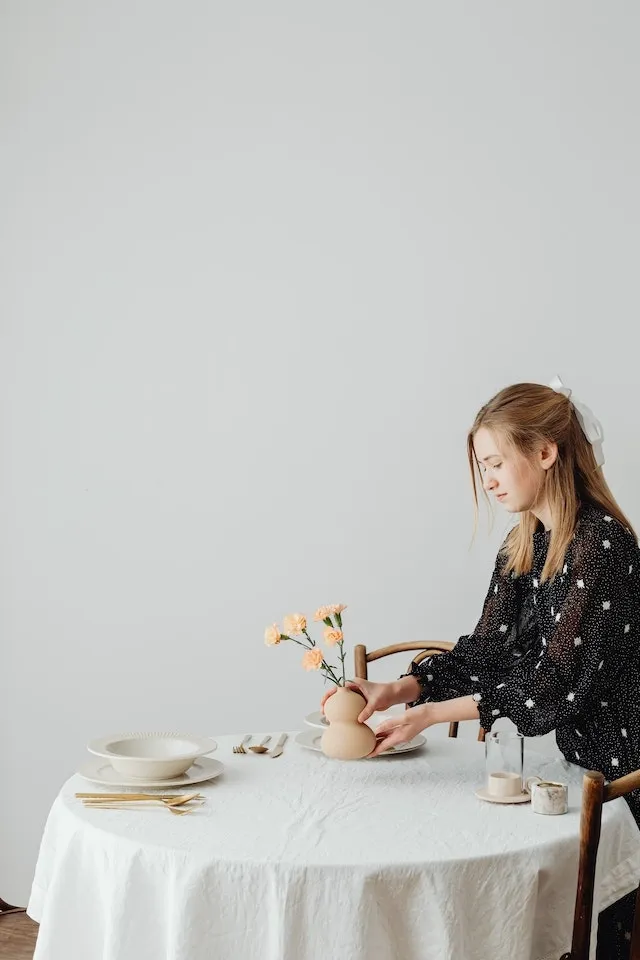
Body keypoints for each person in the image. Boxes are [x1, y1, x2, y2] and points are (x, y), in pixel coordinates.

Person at [321, 378, 640, 960]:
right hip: (577, 777)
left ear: (545, 452)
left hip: (626, 789)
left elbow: (551, 690)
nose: (487, 480)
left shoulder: (603, 548)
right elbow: (487, 650)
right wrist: (404, 686)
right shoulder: (524, 545)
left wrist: (428, 715)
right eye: (482, 466)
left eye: (494, 462)